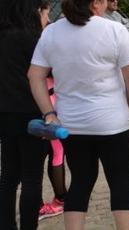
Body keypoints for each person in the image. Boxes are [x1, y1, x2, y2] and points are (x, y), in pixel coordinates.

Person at [29, 0, 129, 230]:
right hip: (113, 121)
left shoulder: (52, 31)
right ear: (95, 3)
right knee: (121, 180)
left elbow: (34, 75)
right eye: (103, 0)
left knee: (80, 182)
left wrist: (49, 113)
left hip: (72, 124)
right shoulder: (114, 30)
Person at [0, 0, 50, 230]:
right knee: (32, 177)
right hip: (33, 112)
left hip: (5, 112)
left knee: (8, 175)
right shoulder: (36, 39)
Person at [38, 75, 67, 222]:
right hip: (51, 104)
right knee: (56, 154)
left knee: (52, 155)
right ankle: (60, 198)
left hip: (41, 103)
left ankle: (59, 199)